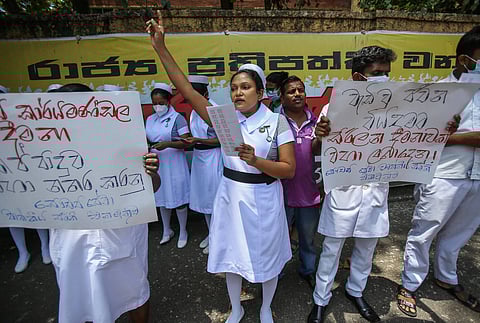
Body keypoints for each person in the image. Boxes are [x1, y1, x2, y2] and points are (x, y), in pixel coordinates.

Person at [147, 12, 296, 323]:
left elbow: (288, 170)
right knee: (231, 255)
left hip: (266, 198)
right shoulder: (223, 117)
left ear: (260, 92)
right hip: (230, 194)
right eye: (233, 88)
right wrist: (161, 48)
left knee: (267, 255)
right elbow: (186, 89)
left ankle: (266, 307)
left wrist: (256, 160)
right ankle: (237, 307)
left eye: (245, 87)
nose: (237, 93)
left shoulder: (276, 121)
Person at [49, 83, 160, 323]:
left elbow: (153, 189)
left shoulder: (125, 143)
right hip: (71, 236)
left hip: (120, 233)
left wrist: (151, 173)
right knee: (80, 294)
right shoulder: (45, 150)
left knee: (134, 290)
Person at [308, 46, 397, 323]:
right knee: (332, 248)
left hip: (375, 189)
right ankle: (321, 299)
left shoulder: (397, 108)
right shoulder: (332, 107)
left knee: (367, 247)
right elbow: (313, 149)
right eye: (376, 73)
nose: (383, 78)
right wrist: (321, 136)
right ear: (358, 77)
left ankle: (356, 291)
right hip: (344, 190)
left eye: (386, 73)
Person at [396, 26, 480, 317]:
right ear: (464, 60)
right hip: (444, 173)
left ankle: (447, 277)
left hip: (477, 176)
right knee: (424, 231)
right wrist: (464, 138)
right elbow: (421, 136)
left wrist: (456, 137)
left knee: (460, 233)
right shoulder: (439, 92)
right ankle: (409, 284)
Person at [0, 85, 52, 273]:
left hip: (27, 170)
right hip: (5, 175)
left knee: (35, 209)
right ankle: (23, 252)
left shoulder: (23, 120)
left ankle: (44, 247)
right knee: (12, 214)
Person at [279, 76, 321, 289]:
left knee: (308, 237)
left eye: (300, 90)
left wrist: (321, 138)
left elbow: (322, 151)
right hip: (280, 193)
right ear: (282, 97)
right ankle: (274, 275)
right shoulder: (273, 122)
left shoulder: (317, 123)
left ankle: (308, 270)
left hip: (308, 191)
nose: (297, 94)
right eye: (291, 91)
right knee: (278, 238)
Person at [146, 83, 191, 248]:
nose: (157, 106)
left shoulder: (177, 118)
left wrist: (168, 144)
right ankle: (167, 230)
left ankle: (183, 230)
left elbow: (186, 141)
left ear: (168, 102)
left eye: (161, 103)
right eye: (155, 103)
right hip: (157, 162)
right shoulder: (150, 119)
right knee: (162, 196)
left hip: (175, 162)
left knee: (178, 196)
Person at [184, 75, 222, 255]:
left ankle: (218, 238)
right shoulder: (193, 112)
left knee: (214, 200)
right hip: (199, 158)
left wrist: (199, 140)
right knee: (203, 199)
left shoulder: (215, 110)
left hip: (213, 159)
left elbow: (222, 141)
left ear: (205, 94)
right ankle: (210, 232)